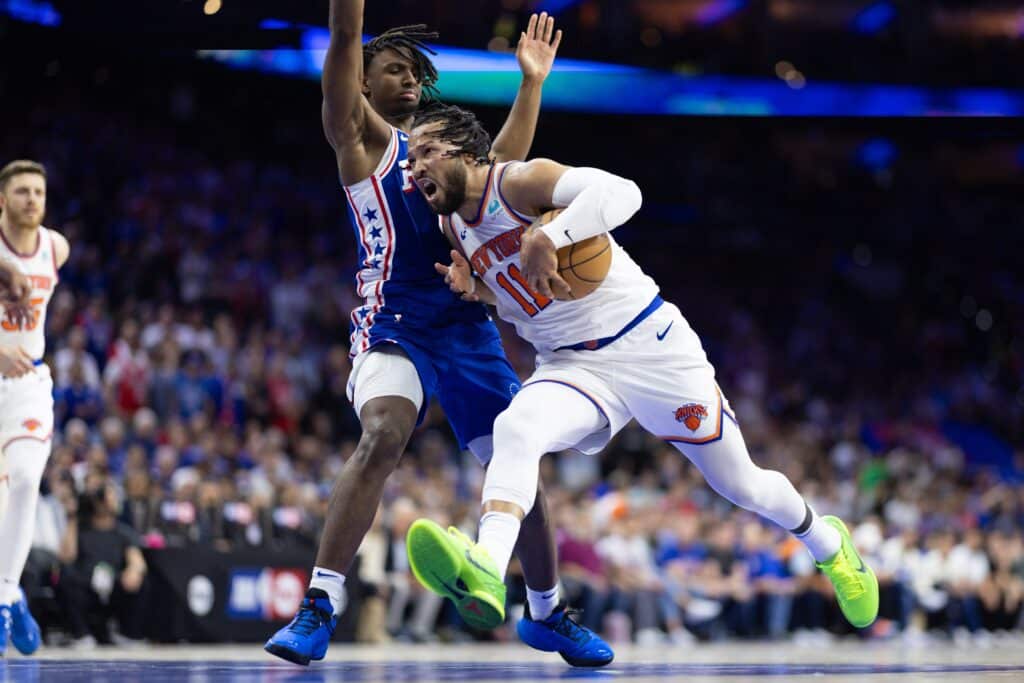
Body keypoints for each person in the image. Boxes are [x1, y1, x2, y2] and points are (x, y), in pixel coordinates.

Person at [402, 104, 880, 637]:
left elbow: (626, 193)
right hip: (573, 364)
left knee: (741, 484)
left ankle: (830, 545)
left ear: (467, 152)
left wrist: (549, 238)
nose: (415, 166)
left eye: (426, 151)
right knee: (516, 428)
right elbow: (523, 296)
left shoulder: (520, 181)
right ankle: (488, 568)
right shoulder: (451, 226)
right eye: (411, 158)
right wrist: (479, 292)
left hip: (649, 347)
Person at [264, 1, 613, 668]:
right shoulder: (361, 143)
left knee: (520, 467)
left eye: (414, 75)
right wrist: (349, 19)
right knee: (385, 430)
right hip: (394, 320)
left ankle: (546, 611)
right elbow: (343, 39)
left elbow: (505, 165)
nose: (408, 82)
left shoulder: (442, 156)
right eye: (391, 70)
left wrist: (532, 84)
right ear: (363, 84)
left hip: (466, 326)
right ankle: (320, 601)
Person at [0, 159, 71, 657]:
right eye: (21, 191)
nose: (31, 199)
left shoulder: (55, 247)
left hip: (27, 383)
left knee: (26, 479)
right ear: (2, 200)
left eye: (38, 192)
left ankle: (5, 595)